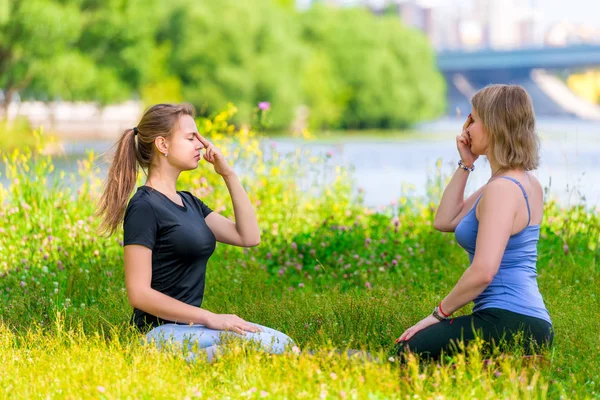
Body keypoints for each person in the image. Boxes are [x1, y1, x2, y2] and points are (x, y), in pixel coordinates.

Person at [97, 103, 293, 361]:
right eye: (191, 138)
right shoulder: (144, 207)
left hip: (191, 329)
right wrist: (211, 318)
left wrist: (228, 173)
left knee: (283, 344)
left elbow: (249, 237)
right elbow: (139, 294)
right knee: (251, 350)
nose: (201, 144)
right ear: (162, 145)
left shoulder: (190, 203)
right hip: (157, 333)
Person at [395, 85, 553, 361]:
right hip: (528, 321)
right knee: (417, 349)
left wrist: (436, 315)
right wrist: (466, 163)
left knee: (409, 350)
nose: (466, 127)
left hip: (510, 320)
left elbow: (483, 271)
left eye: (473, 119)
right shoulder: (517, 181)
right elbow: (445, 220)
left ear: (493, 126)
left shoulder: (502, 189)